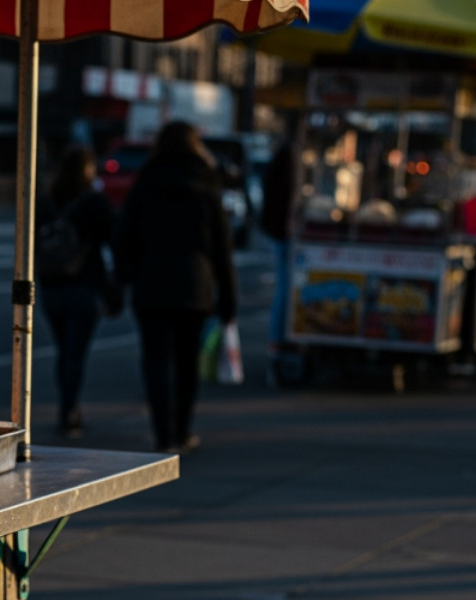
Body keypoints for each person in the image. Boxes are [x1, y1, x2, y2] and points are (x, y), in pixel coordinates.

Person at [116, 121, 238, 453]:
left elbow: (125, 236)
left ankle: (161, 432)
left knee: (155, 361)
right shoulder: (206, 186)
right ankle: (182, 430)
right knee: (187, 363)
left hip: (152, 283)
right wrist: (228, 295)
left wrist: (124, 276)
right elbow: (220, 248)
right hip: (194, 286)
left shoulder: (146, 181)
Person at [37, 145, 120, 438]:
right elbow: (114, 242)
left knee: (64, 350)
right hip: (84, 287)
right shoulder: (94, 203)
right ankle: (69, 410)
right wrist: (114, 290)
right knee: (76, 353)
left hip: (51, 288)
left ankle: (68, 406)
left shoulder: (46, 203)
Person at [260, 132, 296, 347]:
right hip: (282, 233)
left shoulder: (275, 167)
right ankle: (279, 337)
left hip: (277, 232)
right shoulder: (284, 169)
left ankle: (278, 336)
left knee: (284, 284)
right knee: (285, 284)